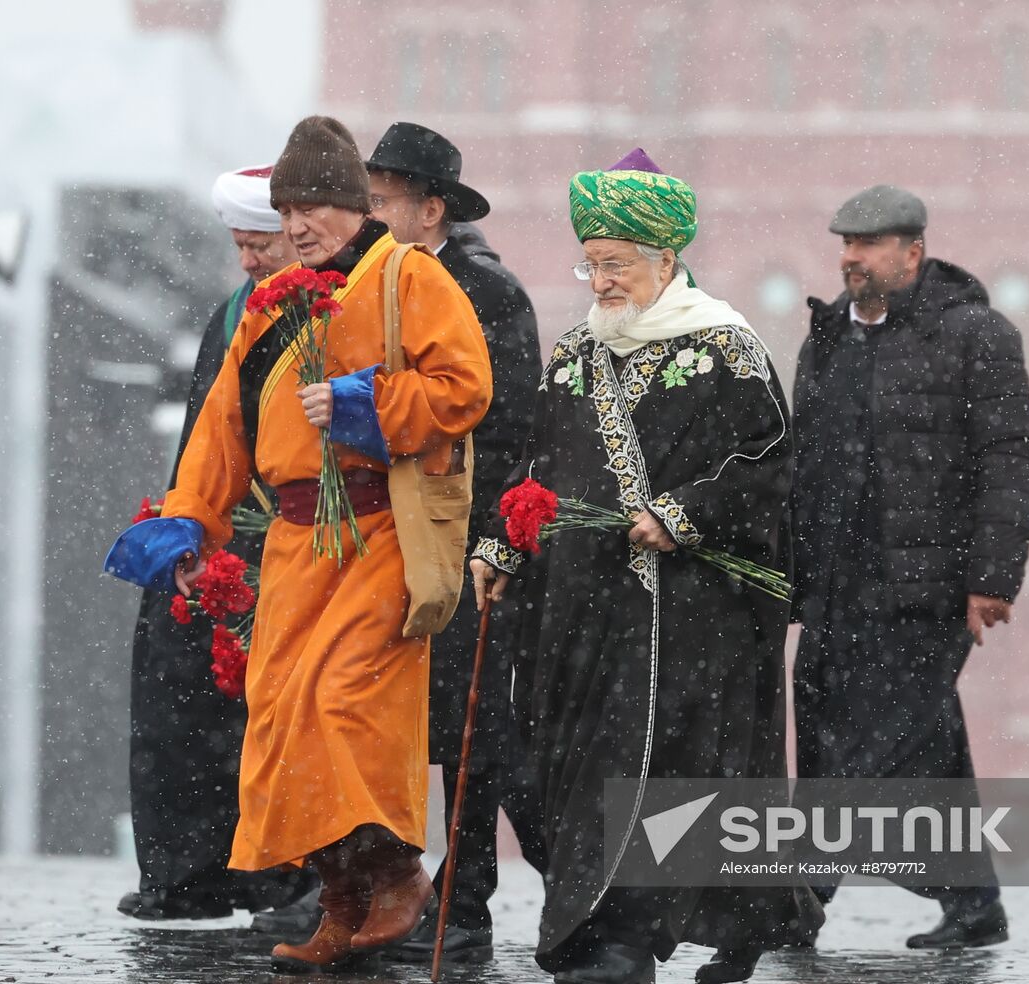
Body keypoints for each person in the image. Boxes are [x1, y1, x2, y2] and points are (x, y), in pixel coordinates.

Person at [104, 115, 492, 972]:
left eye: (315, 204)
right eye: (287, 209)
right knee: (281, 725)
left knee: (342, 705)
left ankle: (396, 877)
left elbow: (465, 387)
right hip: (292, 543)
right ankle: (343, 899)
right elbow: (222, 427)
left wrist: (368, 407)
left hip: (377, 532)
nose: (299, 223)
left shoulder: (406, 277)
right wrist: (188, 518)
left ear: (356, 206)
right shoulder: (275, 300)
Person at [469, 149, 822, 984]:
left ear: (667, 259)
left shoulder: (727, 349)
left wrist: (683, 512)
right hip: (579, 612)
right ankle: (647, 922)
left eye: (616, 264)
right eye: (590, 264)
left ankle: (619, 940)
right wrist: (501, 543)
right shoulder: (572, 358)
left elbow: (773, 465)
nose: (599, 282)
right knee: (575, 764)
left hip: (693, 616)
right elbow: (536, 472)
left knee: (654, 768)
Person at [790, 185, 1029, 948]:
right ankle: (972, 904)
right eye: (845, 245)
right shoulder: (826, 337)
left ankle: (797, 896)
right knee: (909, 739)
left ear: (913, 253)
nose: (850, 259)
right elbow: (805, 464)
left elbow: (1009, 460)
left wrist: (993, 578)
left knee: (869, 743)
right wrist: (793, 578)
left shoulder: (976, 335)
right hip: (837, 584)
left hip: (925, 591)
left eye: (866, 246)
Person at [365, 120, 546, 964]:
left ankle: (467, 899)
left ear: (429, 208)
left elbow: (505, 425)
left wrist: (486, 542)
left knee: (472, 726)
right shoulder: (382, 277)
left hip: (469, 543)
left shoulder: (485, 289)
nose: (370, 216)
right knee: (429, 725)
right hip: (402, 539)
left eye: (383, 201)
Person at [117, 164, 313, 923]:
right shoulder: (233, 312)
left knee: (259, 713)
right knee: (176, 694)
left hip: (278, 538)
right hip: (210, 531)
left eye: (260, 244)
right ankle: (187, 870)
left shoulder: (318, 313)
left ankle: (273, 874)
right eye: (240, 245)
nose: (249, 261)